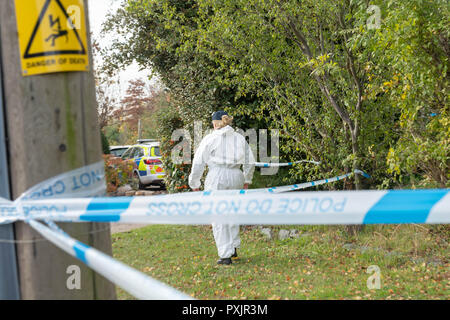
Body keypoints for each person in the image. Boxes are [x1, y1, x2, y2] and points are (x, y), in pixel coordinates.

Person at [188, 111, 255, 265]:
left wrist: (194, 183)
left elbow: (198, 161)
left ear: (215, 123)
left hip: (217, 176)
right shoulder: (239, 137)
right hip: (236, 175)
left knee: (218, 215)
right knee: (232, 212)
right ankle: (234, 249)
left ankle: (225, 255)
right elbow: (250, 161)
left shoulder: (211, 138)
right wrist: (247, 179)